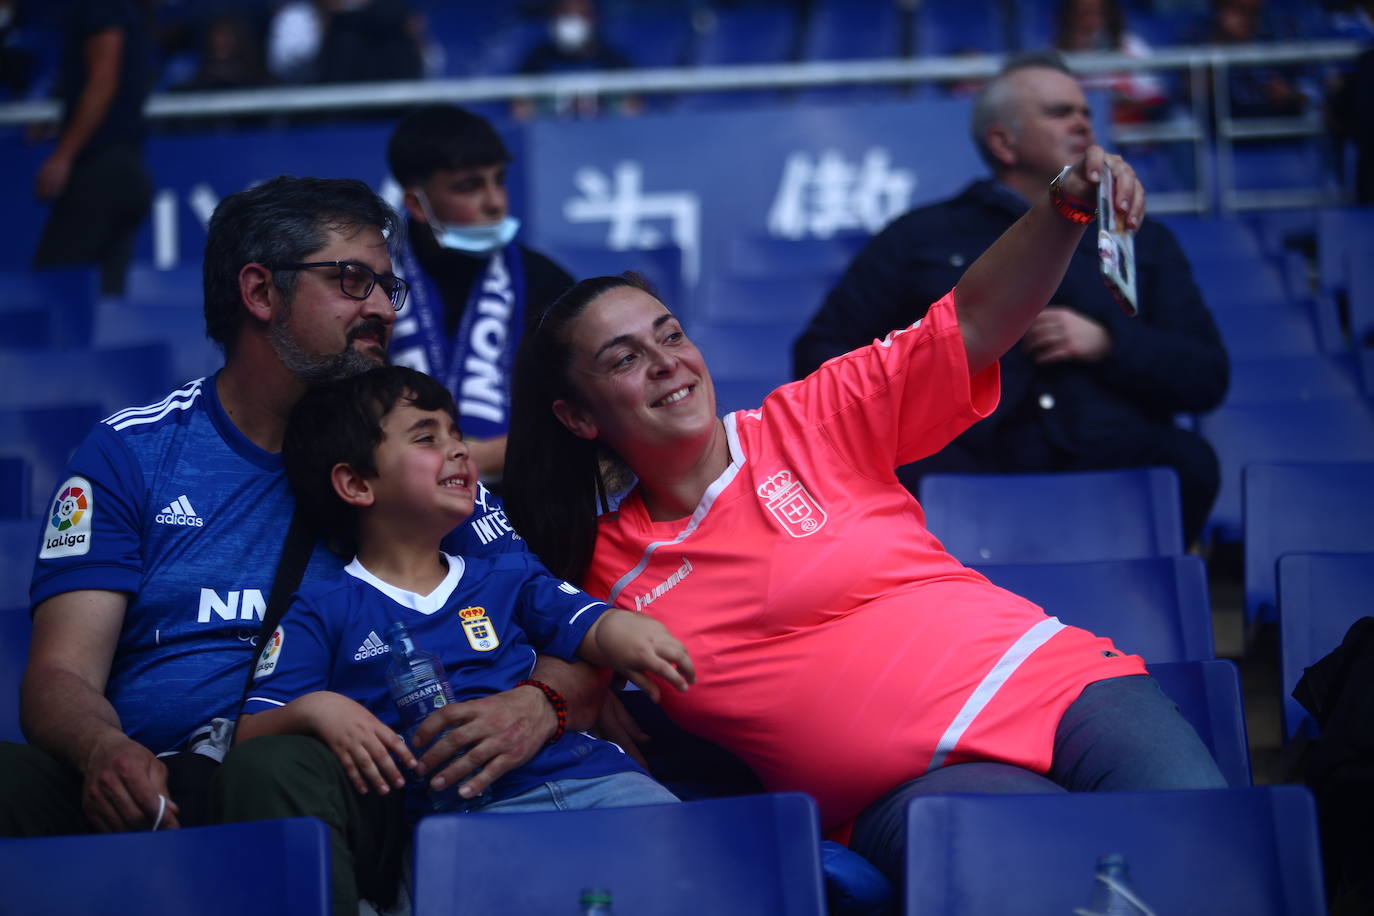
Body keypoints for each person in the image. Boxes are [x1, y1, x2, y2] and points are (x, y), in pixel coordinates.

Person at [503, 144, 1228, 887]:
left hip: (1054, 684)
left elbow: (972, 319)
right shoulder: (593, 560)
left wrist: (1065, 206)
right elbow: (462, 526)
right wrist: (571, 683)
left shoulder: (810, 419)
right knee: (1044, 882)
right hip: (910, 788)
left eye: (670, 334)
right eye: (623, 360)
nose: (667, 363)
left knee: (1204, 853)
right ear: (577, 416)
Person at [0, 176, 605, 914]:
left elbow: (555, 618)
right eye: (354, 281)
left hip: (355, 787)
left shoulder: (416, 465)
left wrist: (539, 704)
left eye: (388, 287)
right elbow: (60, 674)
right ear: (260, 291)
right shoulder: (133, 453)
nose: (382, 308)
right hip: (156, 791)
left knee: (278, 766)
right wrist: (104, 752)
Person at [235, 364, 685, 854]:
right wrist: (317, 709)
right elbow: (250, 733)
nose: (458, 449)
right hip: (456, 828)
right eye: (426, 438)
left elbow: (585, 623)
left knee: (690, 864)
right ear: (357, 484)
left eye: (456, 433)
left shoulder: (506, 573)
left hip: (597, 783)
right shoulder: (322, 609)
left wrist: (631, 631)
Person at [792, 53, 1228, 546]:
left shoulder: (1140, 236)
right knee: (883, 484)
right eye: (1059, 113)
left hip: (1109, 454)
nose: (1083, 123)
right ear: (1003, 142)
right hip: (962, 463)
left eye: (1085, 111)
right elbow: (818, 358)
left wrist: (1108, 343)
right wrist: (940, 361)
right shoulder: (921, 236)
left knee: (1189, 462)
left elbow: (1207, 376)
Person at [387, 104, 574, 483]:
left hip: (523, 508)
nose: (495, 202)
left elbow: (583, 419)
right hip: (395, 510)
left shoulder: (546, 283)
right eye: (469, 186)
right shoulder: (369, 290)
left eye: (498, 180)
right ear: (416, 204)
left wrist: (471, 458)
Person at [31, 0, 153, 296]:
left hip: (102, 169)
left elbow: (103, 79)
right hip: (126, 166)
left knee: (53, 287)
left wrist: (63, 155)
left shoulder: (102, 7)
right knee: (104, 299)